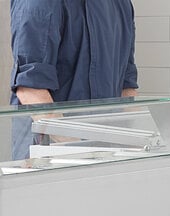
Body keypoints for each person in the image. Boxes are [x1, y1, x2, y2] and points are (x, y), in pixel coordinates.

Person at [9, 0, 138, 157]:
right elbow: (31, 90)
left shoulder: (120, 4)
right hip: (50, 154)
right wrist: (83, 152)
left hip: (104, 154)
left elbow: (126, 88)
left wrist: (138, 147)